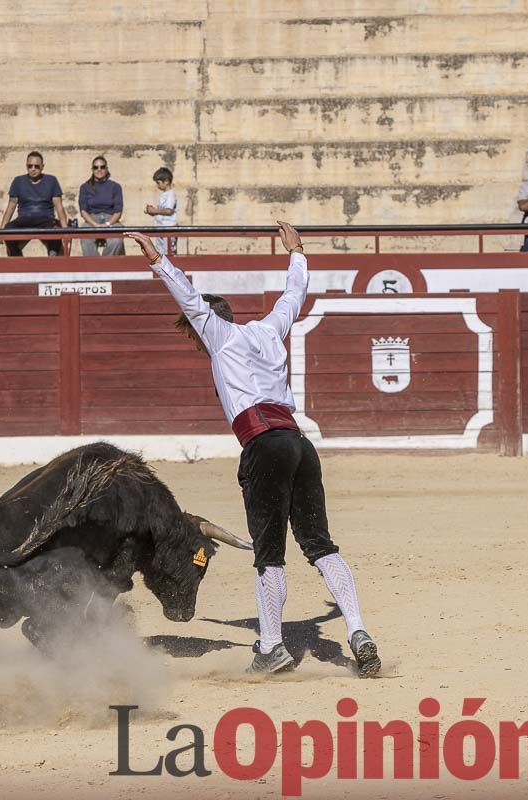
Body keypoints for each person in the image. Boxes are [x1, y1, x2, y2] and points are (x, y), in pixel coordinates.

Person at [123, 223, 382, 679]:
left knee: (269, 554)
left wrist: (156, 258)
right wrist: (297, 250)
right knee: (320, 545)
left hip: (263, 447)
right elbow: (293, 294)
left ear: (207, 323)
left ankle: (272, 647)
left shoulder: (219, 336)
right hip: (301, 445)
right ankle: (359, 629)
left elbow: (186, 296)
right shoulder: (269, 330)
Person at [0, 151, 67, 257]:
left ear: (42, 167)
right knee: (8, 229)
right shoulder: (18, 181)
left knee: (55, 230)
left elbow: (59, 207)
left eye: (36, 166)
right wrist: (1, 231)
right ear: (26, 166)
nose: (33, 169)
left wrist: (66, 230)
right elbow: (10, 207)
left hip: (46, 219)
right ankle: (16, 256)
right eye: (30, 166)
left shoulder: (51, 181)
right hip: (24, 219)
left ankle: (53, 254)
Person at [78, 156, 124, 257]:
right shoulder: (85, 187)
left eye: (102, 167)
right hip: (91, 218)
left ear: (106, 169)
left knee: (117, 237)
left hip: (111, 219)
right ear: (92, 170)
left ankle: (106, 264)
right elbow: (83, 211)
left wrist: (108, 224)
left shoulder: (115, 187)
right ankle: (94, 265)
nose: (99, 170)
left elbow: (118, 211)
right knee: (85, 236)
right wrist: (95, 224)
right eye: (96, 167)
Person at [145, 167, 179, 255]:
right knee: (160, 252)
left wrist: (155, 210)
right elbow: (161, 211)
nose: (157, 185)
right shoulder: (163, 195)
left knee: (169, 252)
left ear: (166, 181)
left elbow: (169, 211)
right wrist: (151, 211)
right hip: (160, 228)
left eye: (158, 183)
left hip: (169, 228)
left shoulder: (170, 195)